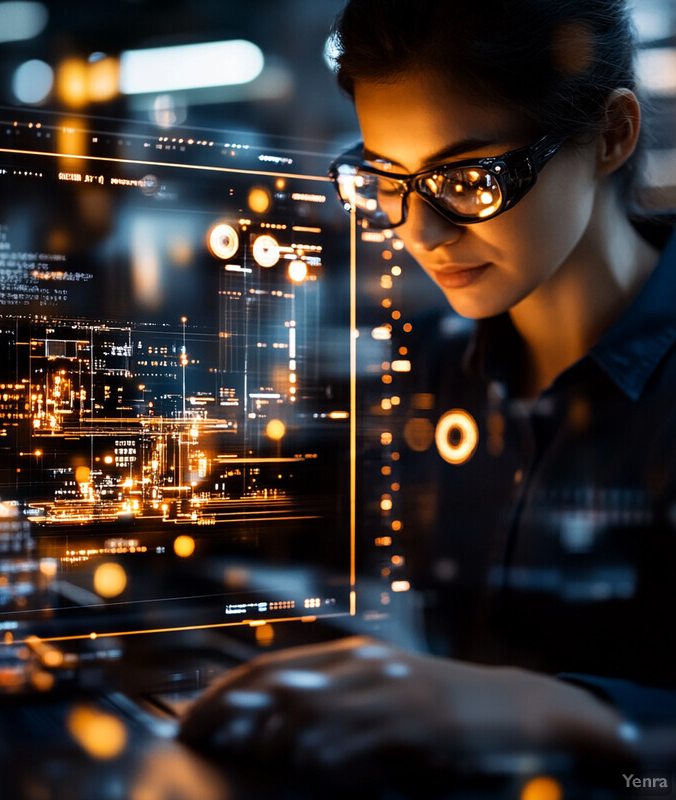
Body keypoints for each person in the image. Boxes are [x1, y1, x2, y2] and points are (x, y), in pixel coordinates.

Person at [180, 0, 676, 792]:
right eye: (387, 180)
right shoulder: (439, 375)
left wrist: (542, 711)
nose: (421, 234)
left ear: (613, 135)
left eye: (469, 178)